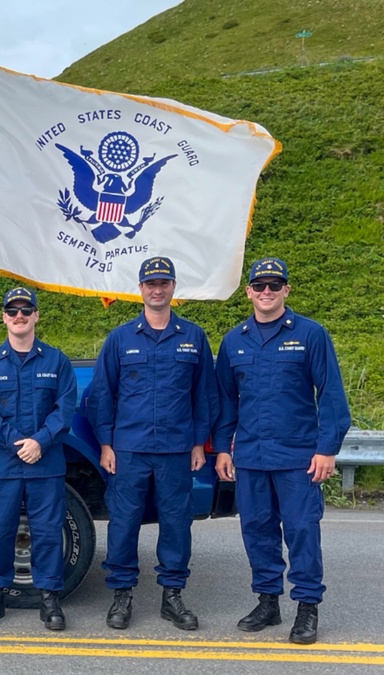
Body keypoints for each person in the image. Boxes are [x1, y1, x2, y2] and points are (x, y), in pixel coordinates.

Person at [213, 258, 350, 645]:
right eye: (260, 286)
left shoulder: (310, 334)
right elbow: (224, 401)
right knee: (257, 530)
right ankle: (268, 601)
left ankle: (307, 607)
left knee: (302, 530)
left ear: (287, 290)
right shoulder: (233, 340)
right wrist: (222, 448)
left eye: (275, 285)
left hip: (297, 457)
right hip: (252, 457)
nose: (267, 292)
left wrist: (327, 449)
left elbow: (332, 395)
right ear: (249, 292)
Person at [86, 256, 217, 631]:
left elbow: (203, 396)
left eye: (163, 283)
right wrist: (106, 444)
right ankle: (122, 596)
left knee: (176, 524)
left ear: (173, 287)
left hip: (176, 450)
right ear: (140, 289)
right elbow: (102, 395)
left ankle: (172, 596)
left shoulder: (193, 337)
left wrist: (197, 444)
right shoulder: (121, 338)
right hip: (129, 449)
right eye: (150, 283)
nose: (156, 289)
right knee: (123, 524)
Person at [0, 287, 77, 630]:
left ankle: (50, 599)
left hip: (45, 464)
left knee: (47, 532)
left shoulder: (56, 361)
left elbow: (65, 409)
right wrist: (20, 443)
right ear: (3, 316)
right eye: (12, 311)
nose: (19, 316)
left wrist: (40, 442)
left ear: (36, 316)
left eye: (25, 310)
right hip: (2, 466)